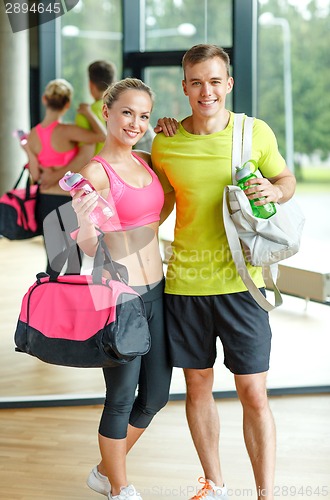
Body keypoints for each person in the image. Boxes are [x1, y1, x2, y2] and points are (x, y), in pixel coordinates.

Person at [151, 44, 297, 500]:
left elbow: (286, 181)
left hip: (242, 284)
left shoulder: (255, 133)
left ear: (228, 84)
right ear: (184, 88)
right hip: (185, 284)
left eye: (215, 81)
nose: (206, 91)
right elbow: (158, 207)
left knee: (254, 392)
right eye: (196, 82)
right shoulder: (166, 142)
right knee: (197, 386)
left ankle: (265, 495)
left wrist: (272, 192)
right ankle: (214, 486)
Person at [70, 77, 172, 500]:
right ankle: (119, 486)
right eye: (127, 112)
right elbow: (88, 248)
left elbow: (154, 214)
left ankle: (103, 470)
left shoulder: (148, 160)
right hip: (118, 296)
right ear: (107, 111)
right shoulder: (94, 173)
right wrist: (83, 218)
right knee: (120, 397)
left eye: (144, 115)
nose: (135, 122)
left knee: (156, 395)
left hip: (157, 290)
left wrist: (171, 128)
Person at [25, 78, 106, 276]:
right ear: (67, 104)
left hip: (44, 200)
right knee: (75, 260)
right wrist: (87, 112)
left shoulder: (33, 135)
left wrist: (28, 151)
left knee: (52, 260)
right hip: (67, 201)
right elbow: (102, 136)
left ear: (44, 100)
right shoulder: (67, 131)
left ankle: (46, 300)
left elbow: (35, 175)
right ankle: (69, 303)